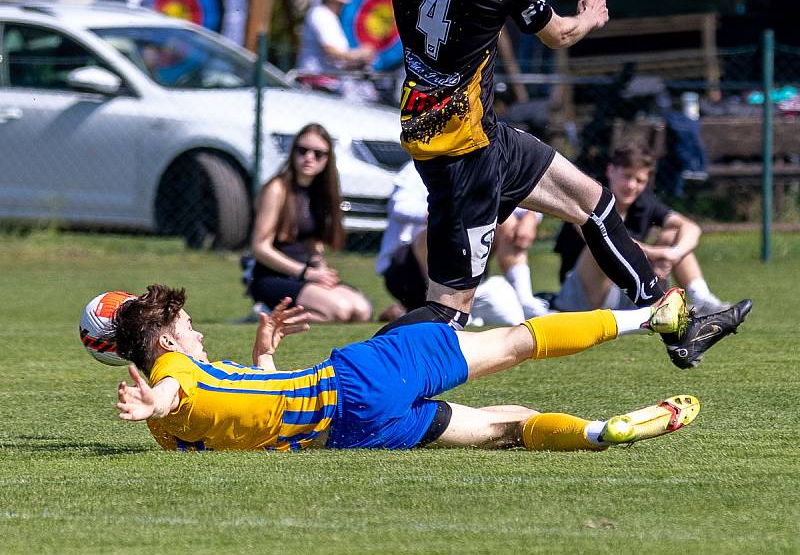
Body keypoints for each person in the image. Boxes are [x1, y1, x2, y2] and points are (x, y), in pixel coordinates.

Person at [169, 0, 750, 369]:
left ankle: (679, 324)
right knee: (447, 312)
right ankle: (337, 380)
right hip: (464, 155)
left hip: (463, 135)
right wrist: (591, 17)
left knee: (594, 202)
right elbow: (560, 36)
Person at [114, 283, 700, 452]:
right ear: (165, 339)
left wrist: (265, 354)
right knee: (516, 342)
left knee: (509, 426)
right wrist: (154, 396)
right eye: (189, 326)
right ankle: (654, 316)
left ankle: (599, 433)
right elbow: (171, 389)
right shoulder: (172, 374)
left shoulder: (173, 434)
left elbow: (250, 412)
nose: (199, 331)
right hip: (360, 377)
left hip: (350, 433)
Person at [554, 143, 730, 318]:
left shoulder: (643, 202)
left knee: (673, 234)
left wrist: (673, 254)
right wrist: (653, 254)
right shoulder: (589, 195)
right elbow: (605, 238)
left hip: (628, 291)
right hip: (582, 298)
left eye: (640, 181)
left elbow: (691, 227)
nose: (631, 185)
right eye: (626, 176)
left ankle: (704, 300)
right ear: (610, 171)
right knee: (599, 247)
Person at [375, 161, 548, 325]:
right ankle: (450, 307)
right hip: (408, 269)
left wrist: (531, 216)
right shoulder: (418, 166)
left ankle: (525, 301)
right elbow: (399, 206)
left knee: (506, 221)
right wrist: (441, 213)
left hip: (466, 267)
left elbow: (514, 201)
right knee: (439, 228)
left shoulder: (481, 163)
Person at [245, 123, 372, 323]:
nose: (309, 157)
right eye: (302, 150)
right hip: (273, 277)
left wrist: (320, 270)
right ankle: (268, 313)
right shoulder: (277, 188)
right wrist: (306, 273)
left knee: (361, 310)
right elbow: (260, 247)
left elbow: (314, 243)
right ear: (293, 152)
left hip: (306, 276)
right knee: (340, 311)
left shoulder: (319, 192)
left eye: (318, 154)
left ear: (327, 160)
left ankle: (276, 315)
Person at [295, 0, 375, 96]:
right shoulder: (321, 15)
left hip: (330, 84)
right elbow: (331, 51)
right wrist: (359, 54)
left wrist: (359, 61)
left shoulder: (331, 18)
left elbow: (337, 61)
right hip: (317, 85)